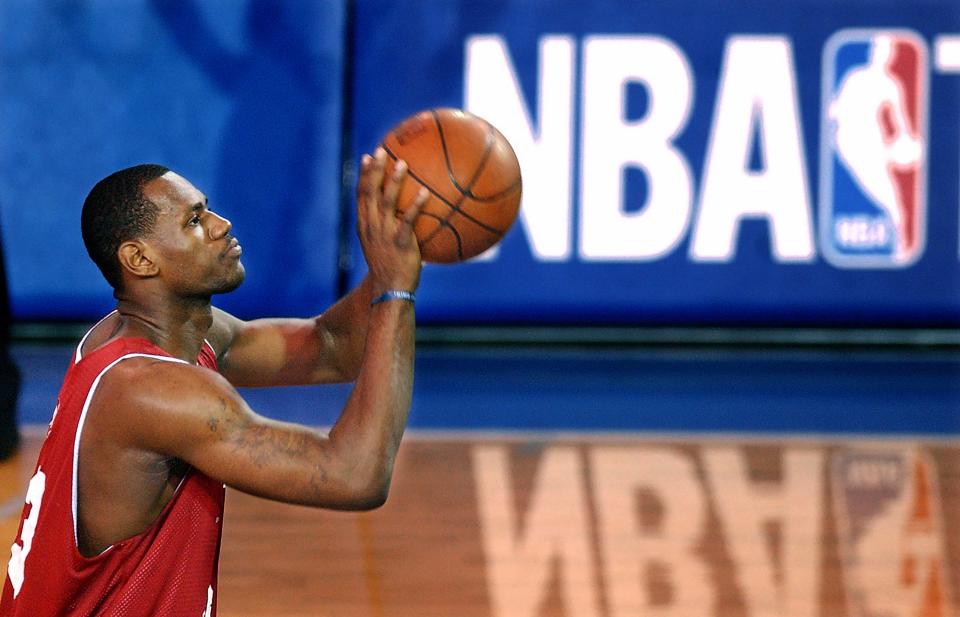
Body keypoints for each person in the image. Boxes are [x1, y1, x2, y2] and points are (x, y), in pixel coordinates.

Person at [0, 149, 428, 616]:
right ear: (140, 259)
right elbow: (354, 475)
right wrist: (393, 290)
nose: (222, 224)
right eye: (194, 220)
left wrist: (399, 252)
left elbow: (329, 346)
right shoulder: (150, 391)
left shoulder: (143, 336)